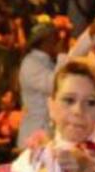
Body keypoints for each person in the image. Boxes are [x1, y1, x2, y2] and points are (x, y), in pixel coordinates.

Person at [16, 16, 70, 149]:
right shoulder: (30, 63)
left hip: (48, 137)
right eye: (55, 37)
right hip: (32, 138)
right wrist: (63, 55)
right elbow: (57, 86)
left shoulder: (48, 62)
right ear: (45, 41)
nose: (58, 39)